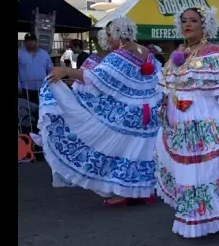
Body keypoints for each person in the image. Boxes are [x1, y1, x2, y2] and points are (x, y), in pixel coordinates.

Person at [37, 17, 161, 206]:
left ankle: (125, 192)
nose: (108, 39)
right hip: (148, 112)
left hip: (128, 115)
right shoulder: (147, 53)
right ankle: (142, 190)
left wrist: (65, 71)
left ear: (119, 33)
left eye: (110, 35)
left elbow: (97, 78)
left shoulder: (119, 55)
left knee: (119, 150)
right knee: (140, 152)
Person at [156, 6, 219, 238]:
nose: (188, 24)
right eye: (184, 20)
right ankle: (192, 215)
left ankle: (209, 215)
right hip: (180, 121)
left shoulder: (213, 53)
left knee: (206, 169)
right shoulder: (178, 53)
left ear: (204, 25)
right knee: (185, 171)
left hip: (204, 117)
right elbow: (167, 86)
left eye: (193, 20)